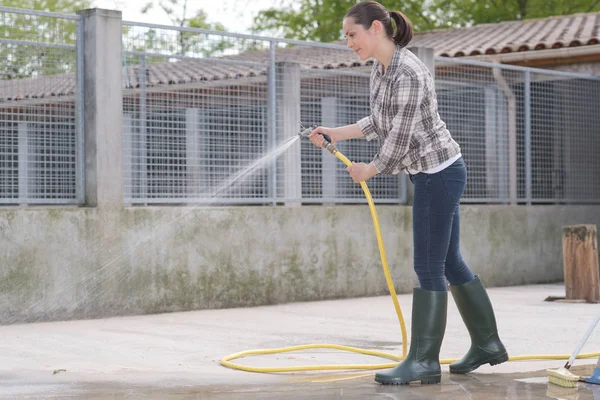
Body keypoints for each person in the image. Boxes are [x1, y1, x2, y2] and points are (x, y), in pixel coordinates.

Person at [307, 0, 508, 386]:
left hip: (439, 174)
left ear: (376, 29)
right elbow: (379, 122)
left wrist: (370, 169)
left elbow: (397, 141)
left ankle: (423, 361)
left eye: (352, 34)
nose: (349, 42)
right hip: (433, 174)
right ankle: (488, 343)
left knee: (429, 267)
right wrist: (335, 132)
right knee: (449, 262)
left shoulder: (410, 73)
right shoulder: (381, 70)